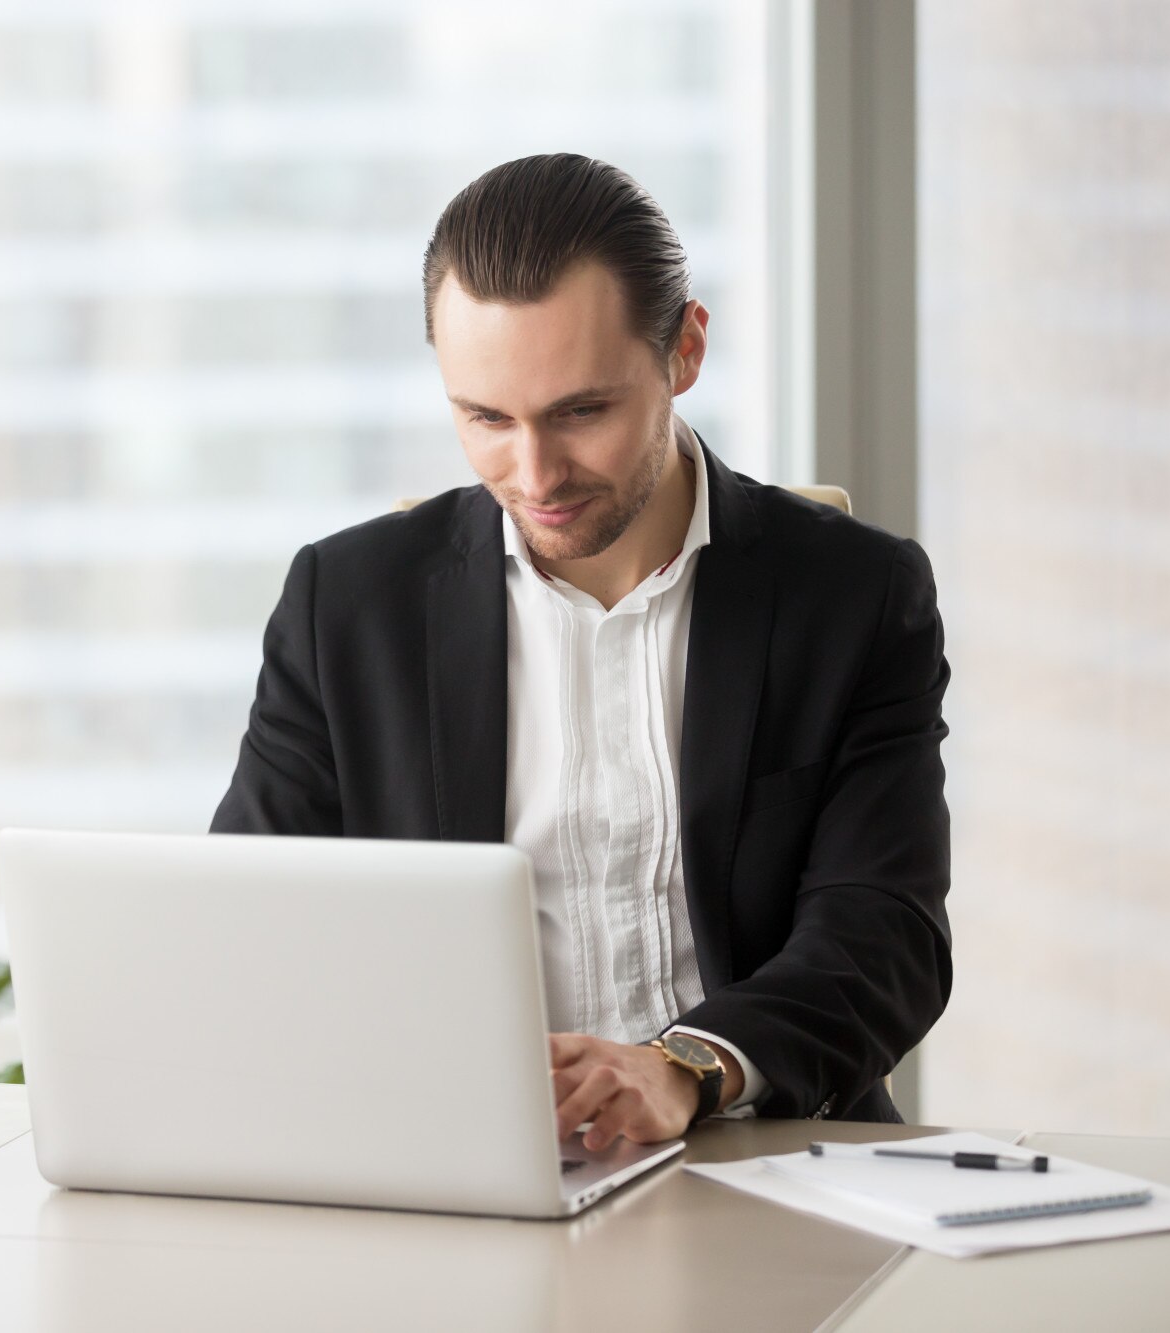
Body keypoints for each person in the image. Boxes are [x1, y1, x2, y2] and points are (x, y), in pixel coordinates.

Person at [211, 153, 950, 1147]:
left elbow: (882, 936)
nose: (534, 473)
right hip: (450, 1162)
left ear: (683, 351)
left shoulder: (851, 595)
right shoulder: (344, 606)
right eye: (484, 418)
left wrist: (684, 1066)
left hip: (762, 1151)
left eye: (580, 412)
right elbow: (248, 930)